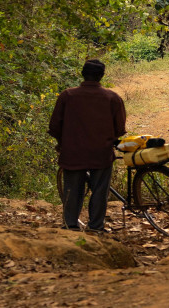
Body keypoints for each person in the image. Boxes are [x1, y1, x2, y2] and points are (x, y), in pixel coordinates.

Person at [48, 59, 126, 233]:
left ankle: (71, 224)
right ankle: (96, 226)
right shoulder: (112, 98)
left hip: (73, 152)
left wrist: (62, 142)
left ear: (82, 74)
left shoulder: (67, 95)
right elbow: (120, 129)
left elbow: (54, 126)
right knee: (100, 190)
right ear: (101, 76)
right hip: (101, 153)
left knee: (72, 189)